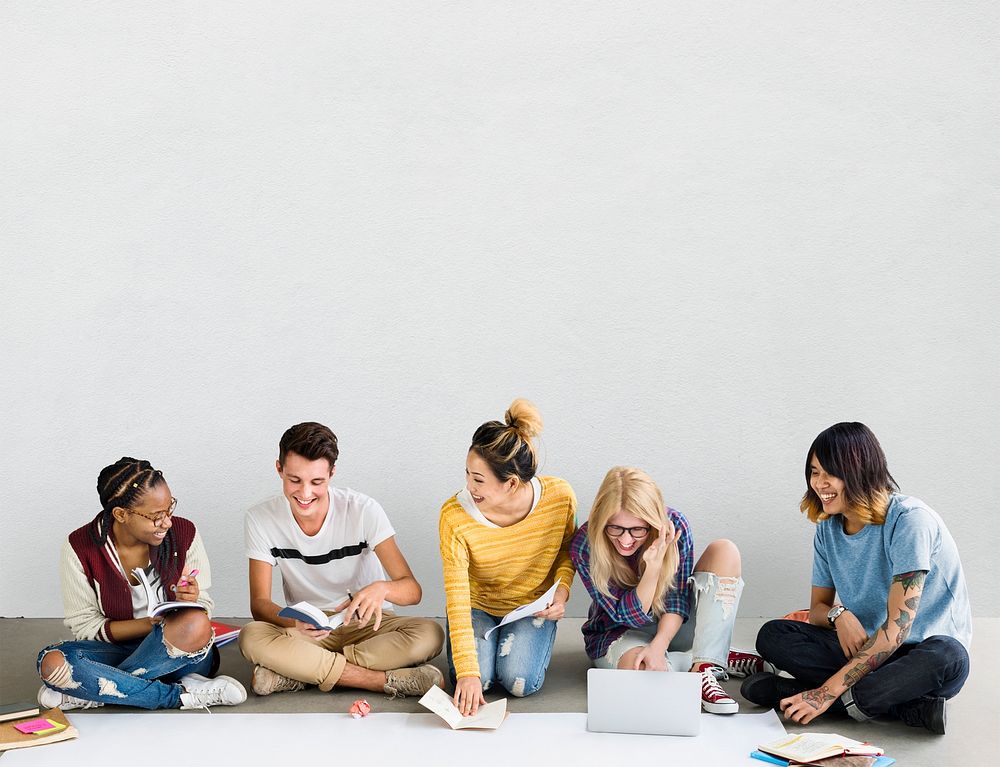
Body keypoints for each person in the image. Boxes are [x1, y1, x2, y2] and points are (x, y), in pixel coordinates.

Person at [742, 422, 972, 734]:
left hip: (919, 656)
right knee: (773, 635)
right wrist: (840, 615)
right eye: (813, 472)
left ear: (859, 471)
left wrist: (824, 694)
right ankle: (902, 705)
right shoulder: (827, 529)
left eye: (829, 473)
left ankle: (792, 695)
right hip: (866, 651)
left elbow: (896, 631)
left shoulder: (910, 522)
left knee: (950, 657)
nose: (819, 484)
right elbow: (819, 608)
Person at [238, 422, 445, 698]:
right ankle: (380, 680)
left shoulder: (363, 510)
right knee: (251, 636)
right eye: (294, 480)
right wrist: (293, 624)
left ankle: (299, 674)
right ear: (279, 469)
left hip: (367, 627)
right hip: (308, 632)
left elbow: (412, 590)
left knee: (430, 633)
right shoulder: (260, 518)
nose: (305, 493)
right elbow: (259, 604)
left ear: (332, 473)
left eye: (317, 482)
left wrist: (380, 589)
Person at [36, 458, 247, 711]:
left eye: (170, 509)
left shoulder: (184, 532)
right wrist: (148, 624)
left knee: (196, 623)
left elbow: (204, 605)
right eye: (156, 516)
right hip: (114, 651)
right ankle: (181, 694)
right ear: (121, 514)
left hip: (179, 653)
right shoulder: (81, 548)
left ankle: (95, 689)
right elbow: (86, 626)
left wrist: (191, 601)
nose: (167, 522)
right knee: (51, 663)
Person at [571, 466, 768, 714]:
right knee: (645, 678)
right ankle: (714, 658)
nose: (625, 540)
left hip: (674, 623)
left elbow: (676, 599)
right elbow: (626, 616)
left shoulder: (675, 526)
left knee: (725, 551)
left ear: (652, 522)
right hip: (618, 632)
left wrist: (659, 644)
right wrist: (652, 569)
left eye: (637, 530)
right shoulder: (585, 543)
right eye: (615, 528)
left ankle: (705, 666)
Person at [439, 398, 577, 715]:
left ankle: (506, 644)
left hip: (530, 605)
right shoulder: (454, 516)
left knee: (519, 682)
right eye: (467, 474)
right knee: (479, 682)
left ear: (511, 483)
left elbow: (566, 551)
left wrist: (562, 592)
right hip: (477, 604)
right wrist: (469, 675)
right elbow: (457, 595)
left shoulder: (559, 497)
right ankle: (483, 656)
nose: (469, 486)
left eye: (478, 479)